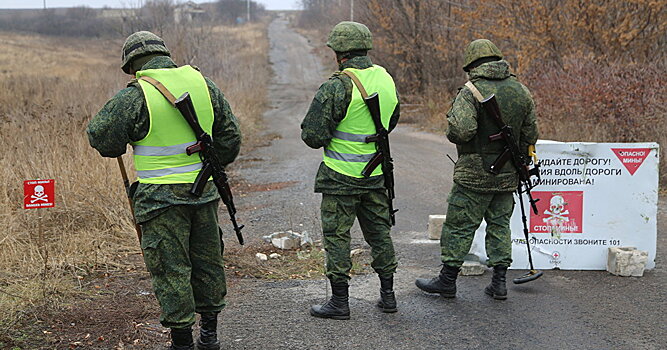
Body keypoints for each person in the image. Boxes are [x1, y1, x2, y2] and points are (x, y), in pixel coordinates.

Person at [87, 31, 241, 350]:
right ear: (165, 55)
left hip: (159, 199)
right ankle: (209, 336)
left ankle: (182, 342)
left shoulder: (135, 95)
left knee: (171, 269)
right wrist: (209, 165)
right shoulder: (203, 84)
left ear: (133, 65)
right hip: (205, 193)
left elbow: (103, 140)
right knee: (208, 261)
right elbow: (230, 139)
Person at [415, 39, 538, 300]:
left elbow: (462, 130)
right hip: (507, 174)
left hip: (474, 175)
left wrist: (452, 126)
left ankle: (447, 281)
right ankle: (499, 282)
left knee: (460, 225)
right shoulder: (521, 91)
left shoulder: (470, 91)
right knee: (500, 225)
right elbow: (530, 135)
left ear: (471, 65)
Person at [301, 21, 400, 319]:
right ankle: (388, 295)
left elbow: (312, 136)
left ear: (339, 53)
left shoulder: (337, 85)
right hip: (375, 174)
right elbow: (391, 121)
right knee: (380, 234)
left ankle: (340, 302)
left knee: (337, 237)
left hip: (339, 176)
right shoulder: (385, 78)